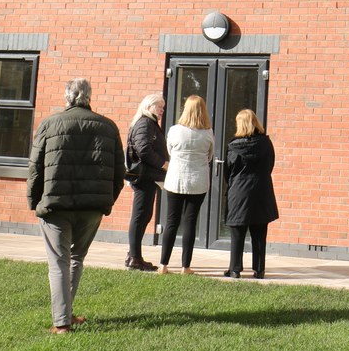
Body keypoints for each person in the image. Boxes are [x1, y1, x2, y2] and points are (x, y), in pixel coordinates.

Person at [27, 78, 124, 335]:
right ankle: (65, 315)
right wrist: (107, 200)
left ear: (67, 97)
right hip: (91, 207)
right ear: (89, 97)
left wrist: (33, 201)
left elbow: (35, 168)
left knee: (59, 262)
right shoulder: (108, 126)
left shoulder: (49, 124)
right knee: (76, 258)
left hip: (56, 205)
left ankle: (61, 323)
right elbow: (118, 173)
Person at [157, 94, 215, 274]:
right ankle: (185, 266)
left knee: (171, 221)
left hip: (175, 179)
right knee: (190, 222)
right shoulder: (208, 133)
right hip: (198, 181)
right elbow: (210, 156)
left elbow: (170, 152)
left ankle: (163, 265)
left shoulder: (174, 130)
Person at [223, 108, 279, 279]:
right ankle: (259, 269)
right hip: (262, 190)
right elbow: (270, 166)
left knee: (237, 232)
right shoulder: (266, 143)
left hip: (239, 191)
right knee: (260, 232)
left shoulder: (234, 146)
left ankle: (235, 269)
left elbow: (228, 171)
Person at [125, 93, 168, 272]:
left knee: (144, 216)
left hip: (148, 177)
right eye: (159, 106)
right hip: (144, 177)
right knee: (140, 216)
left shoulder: (148, 123)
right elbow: (143, 149)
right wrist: (163, 163)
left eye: (163, 107)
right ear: (149, 106)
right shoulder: (145, 123)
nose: (162, 110)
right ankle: (135, 258)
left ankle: (134, 255)